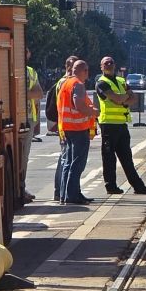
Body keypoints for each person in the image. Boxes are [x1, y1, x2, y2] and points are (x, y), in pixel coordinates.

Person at [95, 55, 146, 195]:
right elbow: (118, 98)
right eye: (106, 63)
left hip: (121, 124)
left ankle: (138, 186)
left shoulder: (121, 81)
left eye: (111, 62)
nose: (109, 64)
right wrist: (124, 98)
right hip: (108, 125)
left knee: (127, 157)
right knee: (109, 158)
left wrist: (122, 99)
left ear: (114, 65)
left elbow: (133, 99)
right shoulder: (101, 83)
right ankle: (111, 186)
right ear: (101, 67)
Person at [57, 58, 97, 205]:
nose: (88, 74)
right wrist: (93, 112)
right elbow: (79, 105)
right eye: (87, 70)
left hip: (67, 128)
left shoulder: (65, 83)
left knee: (68, 163)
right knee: (77, 163)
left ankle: (65, 194)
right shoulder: (78, 85)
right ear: (83, 71)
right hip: (78, 128)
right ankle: (73, 195)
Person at [47, 54, 78, 203]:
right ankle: (61, 192)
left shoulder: (62, 82)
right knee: (66, 159)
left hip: (65, 125)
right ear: (70, 67)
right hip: (67, 126)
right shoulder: (67, 83)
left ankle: (61, 191)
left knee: (65, 158)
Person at [26, 51, 44, 143]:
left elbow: (40, 94)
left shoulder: (31, 71)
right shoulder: (9, 68)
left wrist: (23, 94)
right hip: (23, 117)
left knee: (25, 154)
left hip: (29, 117)